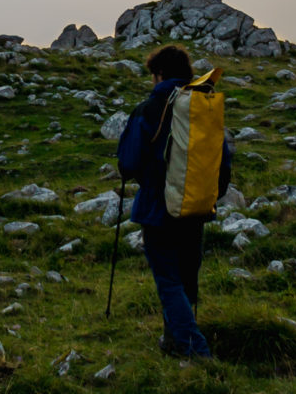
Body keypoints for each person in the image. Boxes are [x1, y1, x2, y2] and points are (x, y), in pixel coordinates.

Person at [116, 44, 232, 360]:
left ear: (160, 74)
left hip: (158, 209)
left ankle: (195, 350)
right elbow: (224, 160)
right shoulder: (203, 108)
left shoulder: (150, 108)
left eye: (153, 75)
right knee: (186, 279)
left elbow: (128, 162)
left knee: (168, 281)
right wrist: (206, 195)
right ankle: (173, 340)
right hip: (196, 207)